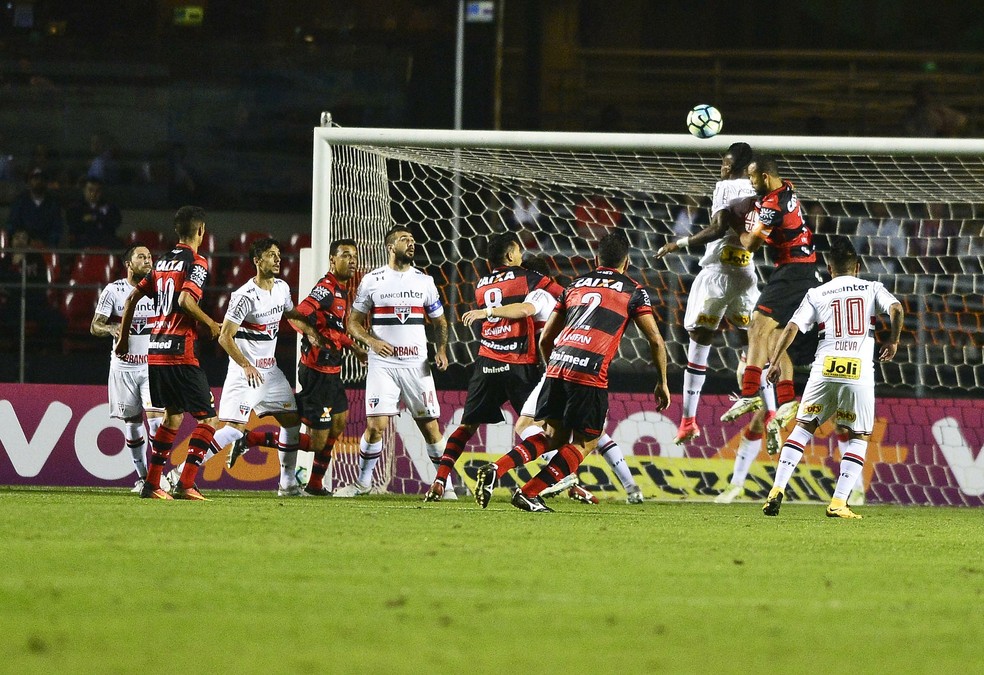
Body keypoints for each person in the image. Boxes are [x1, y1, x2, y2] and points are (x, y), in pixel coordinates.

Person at [474, 232, 671, 512]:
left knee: (553, 437)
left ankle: (498, 467)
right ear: (626, 263)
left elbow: (546, 339)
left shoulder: (573, 286)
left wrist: (553, 369)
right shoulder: (633, 289)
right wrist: (662, 382)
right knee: (587, 441)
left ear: (595, 259)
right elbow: (655, 339)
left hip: (557, 365)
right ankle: (529, 492)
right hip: (589, 371)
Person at [761, 236, 903, 519]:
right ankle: (839, 502)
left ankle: (776, 489)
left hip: (824, 366)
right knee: (859, 434)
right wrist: (893, 341)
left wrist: (774, 362)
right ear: (857, 267)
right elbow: (897, 309)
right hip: (858, 369)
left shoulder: (818, 292)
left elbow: (791, 328)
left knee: (803, 428)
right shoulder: (872, 288)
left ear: (829, 267)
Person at [424, 232, 556, 502]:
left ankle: (439, 480)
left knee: (466, 426)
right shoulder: (528, 277)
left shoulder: (482, 284)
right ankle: (558, 476)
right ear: (510, 255)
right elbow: (560, 297)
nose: (522, 256)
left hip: (486, 363)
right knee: (542, 427)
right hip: (520, 364)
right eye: (518, 251)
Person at [195, 236, 325, 497]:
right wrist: (245, 365)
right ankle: (180, 474)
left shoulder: (282, 288)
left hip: (271, 372)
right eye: (271, 254)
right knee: (232, 430)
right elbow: (224, 336)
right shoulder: (244, 295)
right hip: (246, 373)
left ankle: (287, 484)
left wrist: (311, 331)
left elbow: (290, 315)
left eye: (279, 254)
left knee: (290, 421)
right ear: (257, 260)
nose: (278, 259)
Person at [114, 205, 221, 500]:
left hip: (156, 350)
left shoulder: (161, 263)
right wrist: (211, 323)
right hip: (180, 351)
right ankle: (186, 483)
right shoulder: (196, 262)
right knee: (208, 420)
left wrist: (123, 339)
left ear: (177, 231)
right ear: (201, 231)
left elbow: (132, 297)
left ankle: (152, 483)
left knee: (173, 417)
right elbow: (186, 300)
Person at [335, 225, 449, 497]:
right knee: (375, 427)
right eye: (404, 240)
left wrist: (442, 350)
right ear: (390, 247)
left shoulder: (424, 281)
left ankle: (445, 486)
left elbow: (440, 321)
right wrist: (372, 343)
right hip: (382, 365)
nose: (411, 244)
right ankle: (362, 483)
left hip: (416, 364)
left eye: (412, 240)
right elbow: (352, 323)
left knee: (431, 428)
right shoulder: (372, 280)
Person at [721, 154, 822, 453]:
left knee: (757, 327)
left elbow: (750, 245)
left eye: (753, 178)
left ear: (764, 177)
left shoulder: (773, 205)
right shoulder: (787, 189)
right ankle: (787, 400)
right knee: (777, 340)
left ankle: (750, 393)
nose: (751, 184)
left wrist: (735, 224)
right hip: (806, 269)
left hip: (793, 271)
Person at [90, 243, 166, 493]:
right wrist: (112, 328)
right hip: (123, 367)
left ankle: (158, 477)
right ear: (128, 263)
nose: (148, 260)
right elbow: (95, 325)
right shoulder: (114, 290)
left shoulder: (159, 290)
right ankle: (144, 478)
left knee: (156, 423)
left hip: (152, 365)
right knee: (132, 424)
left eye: (149, 256)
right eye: (141, 257)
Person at [0, 227, 66, 352]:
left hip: (35, 302)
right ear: (11, 241)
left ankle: (46, 356)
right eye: (17, 238)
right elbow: (5, 285)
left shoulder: (36, 259)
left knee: (57, 320)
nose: (20, 241)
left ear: (28, 242)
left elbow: (42, 283)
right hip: (13, 304)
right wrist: (15, 266)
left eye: (23, 238)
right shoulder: (5, 262)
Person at [5, 167, 63, 247]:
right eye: (35, 179)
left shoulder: (53, 203)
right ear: (29, 182)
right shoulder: (20, 202)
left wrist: (47, 243)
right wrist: (26, 241)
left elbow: (57, 228)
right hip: (23, 247)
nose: (39, 182)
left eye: (42, 179)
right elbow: (12, 225)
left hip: (46, 248)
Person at [66, 177, 123, 248]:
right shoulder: (75, 207)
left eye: (97, 191)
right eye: (90, 190)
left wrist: (94, 218)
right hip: (82, 243)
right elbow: (73, 225)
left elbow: (116, 222)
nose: (94, 194)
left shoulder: (110, 207)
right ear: (84, 190)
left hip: (105, 242)